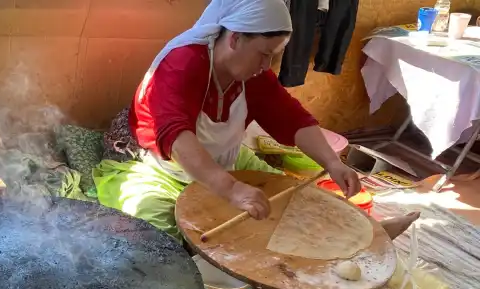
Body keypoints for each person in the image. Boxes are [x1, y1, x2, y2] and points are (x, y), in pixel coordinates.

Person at [93, 0, 417, 240]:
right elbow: (176, 137)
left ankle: (366, 237)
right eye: (264, 54)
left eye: (273, 56)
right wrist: (230, 189)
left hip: (226, 160)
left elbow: (290, 117)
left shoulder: (252, 74)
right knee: (159, 240)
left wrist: (333, 163)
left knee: (295, 202)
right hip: (157, 166)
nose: (267, 65)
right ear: (234, 38)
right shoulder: (183, 63)